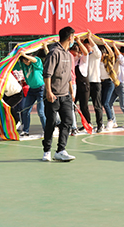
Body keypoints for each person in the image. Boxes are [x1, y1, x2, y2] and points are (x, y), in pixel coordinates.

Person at [42, 26, 76, 162]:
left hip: (65, 95)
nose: (74, 40)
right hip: (53, 96)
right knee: (50, 123)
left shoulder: (68, 54)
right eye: (73, 37)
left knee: (68, 121)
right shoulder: (54, 52)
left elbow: (68, 76)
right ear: (70, 37)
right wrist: (49, 92)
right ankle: (46, 151)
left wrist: (71, 92)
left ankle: (61, 150)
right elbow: (47, 74)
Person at [14, 42, 49, 137]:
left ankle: (46, 130)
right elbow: (14, 66)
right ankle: (25, 130)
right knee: (25, 110)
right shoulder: (22, 64)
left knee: (41, 112)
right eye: (24, 61)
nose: (26, 62)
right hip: (31, 90)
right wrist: (17, 54)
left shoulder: (36, 61)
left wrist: (25, 55)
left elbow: (34, 60)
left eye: (26, 60)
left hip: (41, 89)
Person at [83, 31, 104, 133]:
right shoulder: (84, 56)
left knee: (97, 105)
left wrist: (90, 38)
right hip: (86, 83)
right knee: (84, 105)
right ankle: (88, 123)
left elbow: (96, 49)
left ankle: (100, 124)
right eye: (85, 47)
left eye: (87, 46)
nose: (86, 48)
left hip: (95, 82)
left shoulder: (96, 55)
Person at [110, 43, 124, 131]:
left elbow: (119, 55)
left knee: (123, 105)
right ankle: (113, 122)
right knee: (109, 103)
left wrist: (114, 45)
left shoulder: (122, 62)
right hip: (115, 85)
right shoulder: (114, 62)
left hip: (122, 85)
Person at [100, 41, 119, 131]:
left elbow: (111, 53)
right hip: (101, 82)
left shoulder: (108, 60)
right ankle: (101, 123)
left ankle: (110, 120)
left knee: (106, 102)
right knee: (101, 103)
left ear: (104, 53)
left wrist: (104, 43)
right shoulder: (96, 60)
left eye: (101, 53)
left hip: (109, 82)